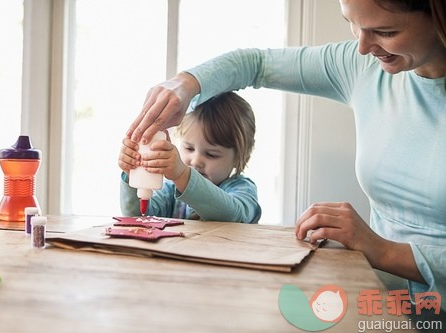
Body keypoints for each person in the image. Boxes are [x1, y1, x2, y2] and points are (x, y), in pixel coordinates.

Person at [125, 0, 446, 314]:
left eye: (384, 31)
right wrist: (186, 85)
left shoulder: (241, 189)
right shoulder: (363, 64)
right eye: (353, 23)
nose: (362, 47)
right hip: (381, 305)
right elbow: (256, 64)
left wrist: (382, 250)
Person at [118, 91, 261, 223]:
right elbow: (137, 216)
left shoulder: (242, 189)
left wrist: (182, 175)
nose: (196, 161)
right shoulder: (170, 191)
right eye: (189, 148)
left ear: (241, 156)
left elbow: (233, 217)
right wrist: (132, 175)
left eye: (211, 154)